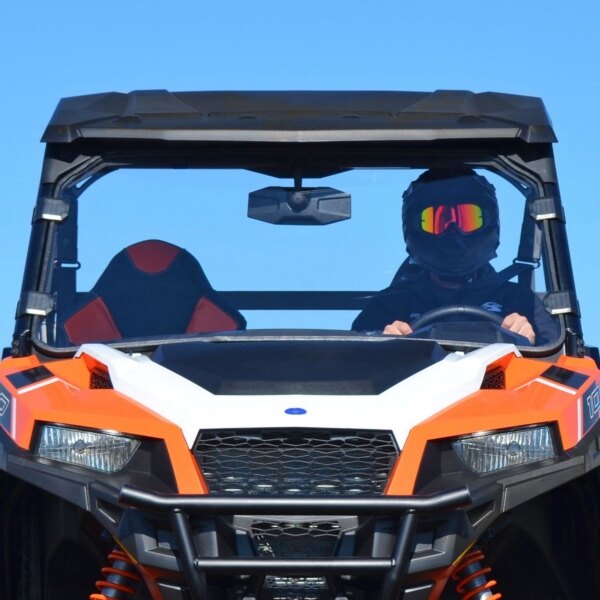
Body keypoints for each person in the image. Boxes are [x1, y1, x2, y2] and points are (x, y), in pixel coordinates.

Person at [352, 169, 558, 346]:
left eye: (467, 219)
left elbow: (558, 361)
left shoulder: (519, 301)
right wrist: (382, 342)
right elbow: (355, 360)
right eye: (436, 221)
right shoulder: (391, 304)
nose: (453, 232)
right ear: (414, 228)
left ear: (489, 222)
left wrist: (531, 341)